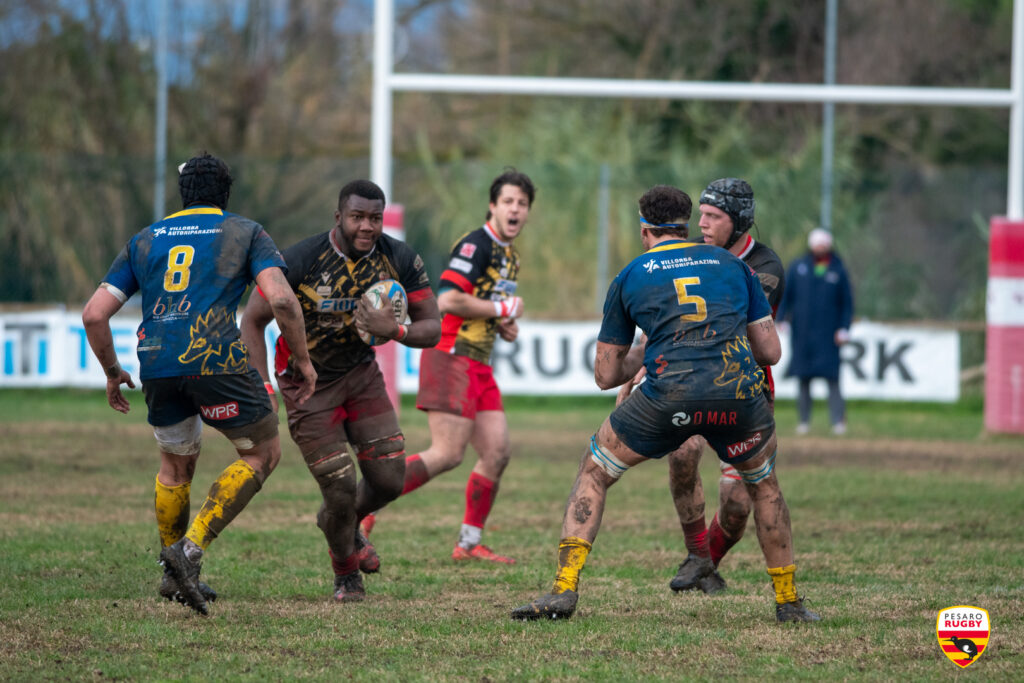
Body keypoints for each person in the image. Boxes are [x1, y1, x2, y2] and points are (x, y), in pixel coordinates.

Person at [511, 184, 818, 623]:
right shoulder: (734, 266)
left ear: (645, 230)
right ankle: (788, 602)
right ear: (688, 226)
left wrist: (645, 352)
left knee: (595, 471)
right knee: (764, 486)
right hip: (737, 395)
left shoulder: (632, 275)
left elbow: (605, 374)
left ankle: (563, 590)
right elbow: (769, 352)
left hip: (668, 396)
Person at [81, 152, 316, 616]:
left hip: (157, 363)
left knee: (175, 468)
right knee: (262, 452)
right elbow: (283, 302)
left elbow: (94, 314)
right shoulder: (245, 231)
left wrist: (113, 373)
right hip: (215, 359)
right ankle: (187, 553)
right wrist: (304, 361)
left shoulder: (145, 240)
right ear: (225, 194)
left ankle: (173, 577)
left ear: (183, 195)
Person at [240, 179, 441, 603]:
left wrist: (397, 330)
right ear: (338, 217)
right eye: (357, 217)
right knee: (340, 487)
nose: (367, 226)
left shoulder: (399, 258)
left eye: (374, 217)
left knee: (388, 480)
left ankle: (342, 521)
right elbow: (252, 320)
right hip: (306, 383)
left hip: (361, 375)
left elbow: (433, 327)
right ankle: (346, 573)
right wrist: (261, 384)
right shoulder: (299, 259)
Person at [617, 178, 786, 595]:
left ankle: (706, 562)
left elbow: (740, 334)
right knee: (682, 453)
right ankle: (697, 557)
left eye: (715, 217)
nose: (703, 225)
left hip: (744, 389)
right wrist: (639, 368)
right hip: (687, 381)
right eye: (702, 215)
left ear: (741, 223)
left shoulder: (764, 267)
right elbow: (664, 317)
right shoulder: (690, 253)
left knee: (736, 503)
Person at [363, 169, 535, 565]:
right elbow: (449, 299)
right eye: (508, 201)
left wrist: (501, 323)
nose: (515, 209)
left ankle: (469, 543)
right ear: (492, 206)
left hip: (478, 363)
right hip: (450, 353)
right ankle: (362, 509)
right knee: (446, 453)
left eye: (522, 204)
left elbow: (483, 304)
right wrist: (503, 308)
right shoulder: (477, 245)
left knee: (498, 452)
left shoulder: (510, 255)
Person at [776, 227, 854, 435]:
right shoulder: (798, 266)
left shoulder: (838, 269)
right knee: (803, 378)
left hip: (829, 335)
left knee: (833, 379)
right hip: (802, 334)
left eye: (823, 243)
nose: (820, 247)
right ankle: (803, 421)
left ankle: (838, 421)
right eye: (817, 243)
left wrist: (844, 328)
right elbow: (786, 295)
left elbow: (847, 303)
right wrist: (781, 318)